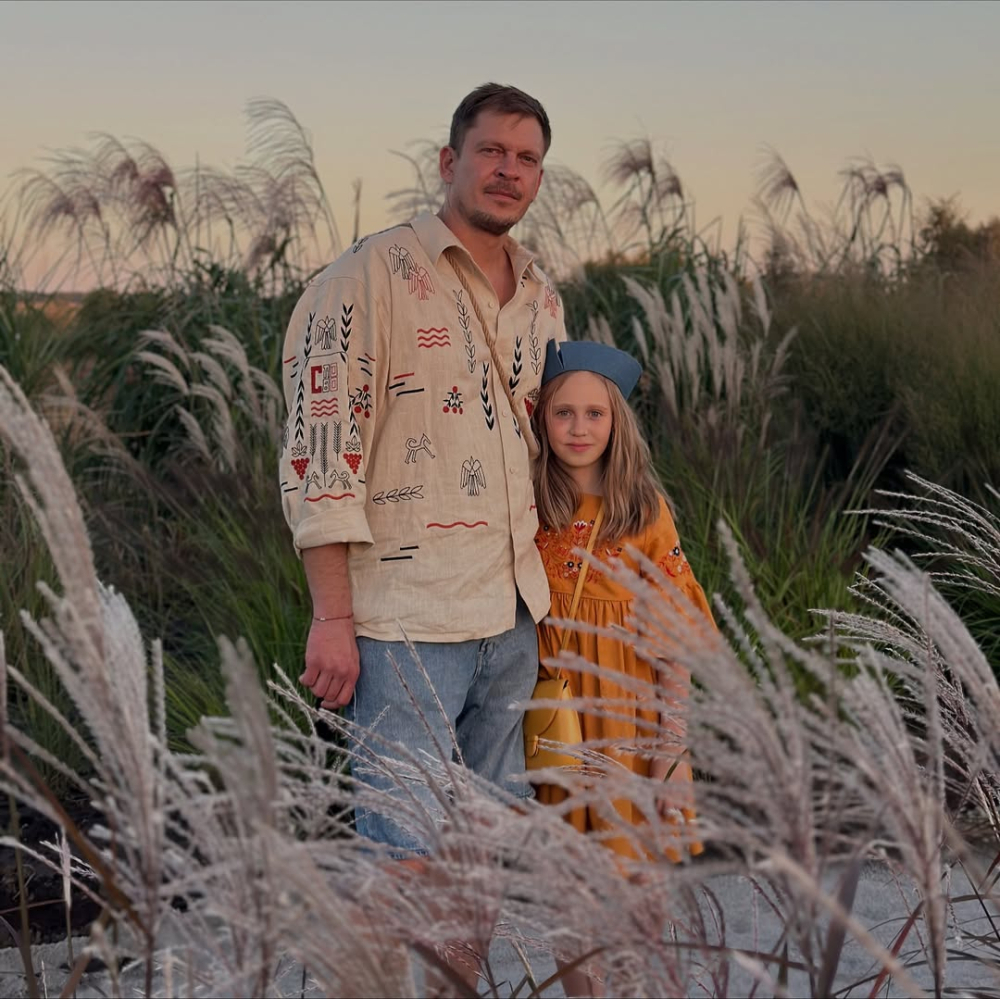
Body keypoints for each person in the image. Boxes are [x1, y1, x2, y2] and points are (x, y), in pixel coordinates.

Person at [278, 82, 565, 984]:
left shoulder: (543, 297)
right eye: (492, 151)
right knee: (402, 848)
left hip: (512, 616)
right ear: (450, 161)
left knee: (484, 843)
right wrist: (333, 616)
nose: (508, 170)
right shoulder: (366, 276)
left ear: (539, 177)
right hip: (406, 623)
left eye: (526, 158)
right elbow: (322, 453)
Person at [530, 339, 715, 997]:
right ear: (542, 419)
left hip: (628, 720)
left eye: (595, 414)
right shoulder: (529, 507)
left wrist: (673, 751)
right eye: (563, 413)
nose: (579, 428)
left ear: (617, 422)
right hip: (555, 720)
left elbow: (674, 641)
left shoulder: (643, 513)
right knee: (569, 887)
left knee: (637, 885)